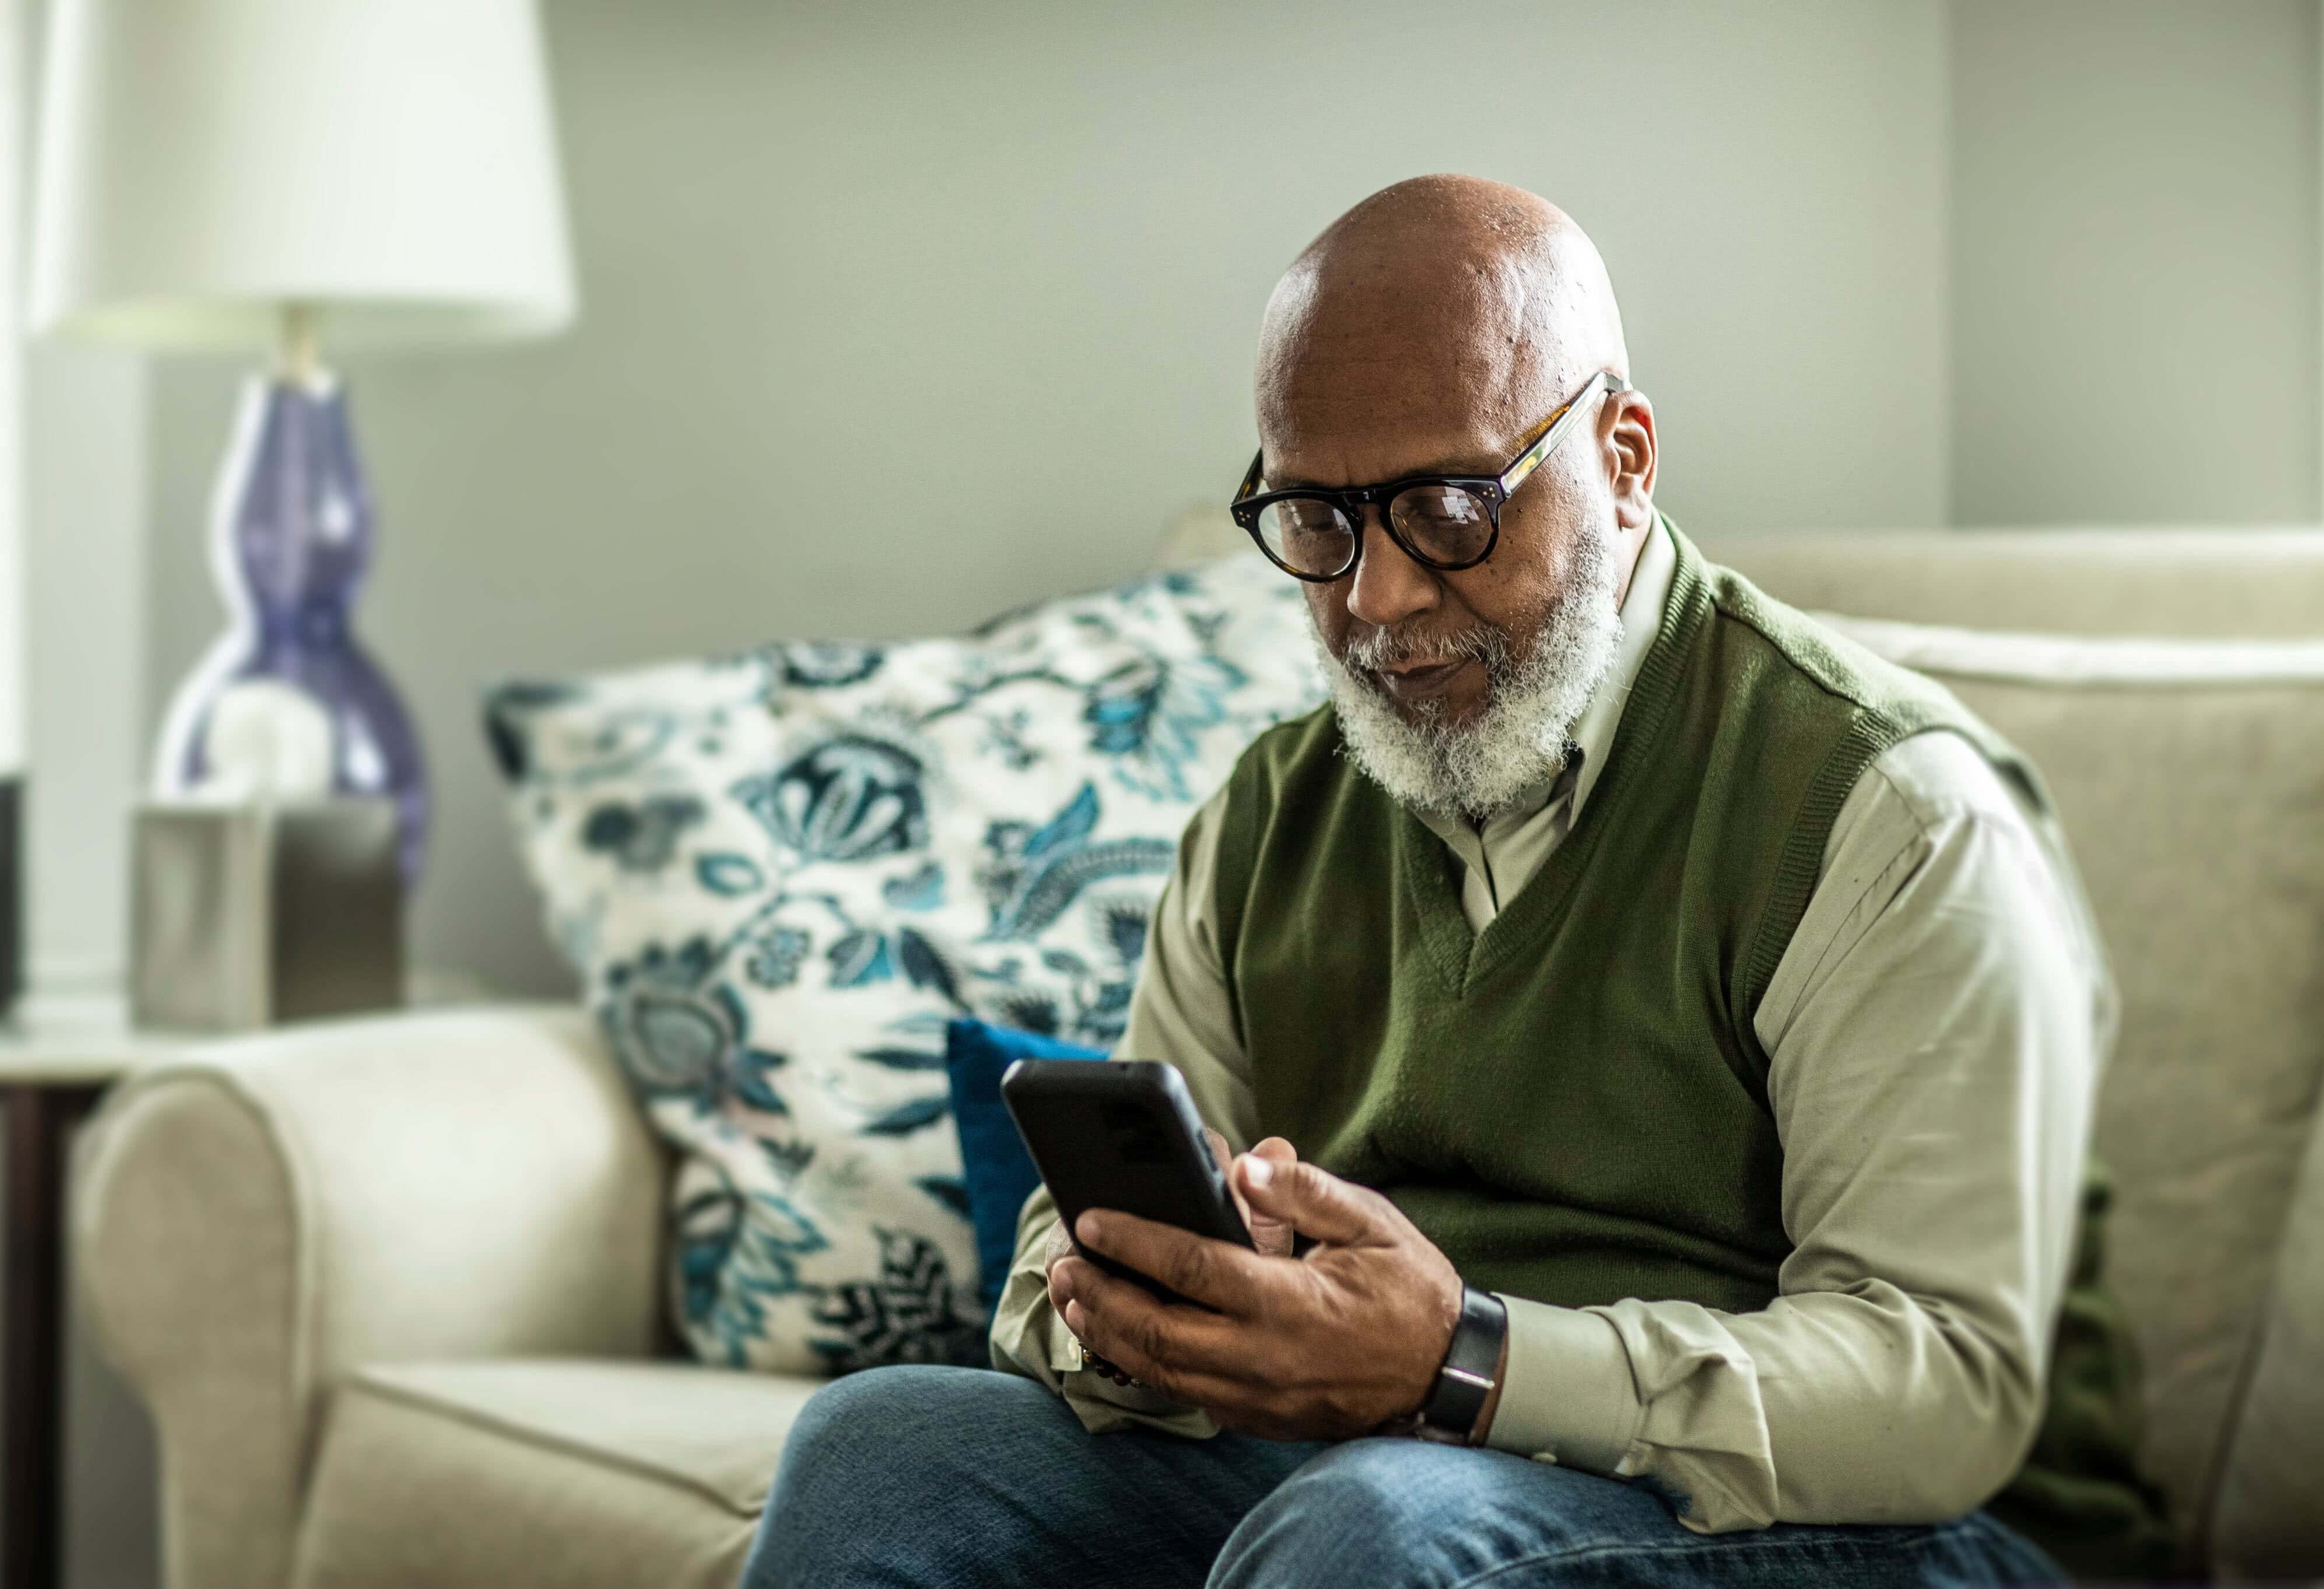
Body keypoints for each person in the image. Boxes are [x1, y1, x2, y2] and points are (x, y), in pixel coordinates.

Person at [744, 175, 2134, 1588]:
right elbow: (1081, 1232)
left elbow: (1939, 1383)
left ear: (1625, 456)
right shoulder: (1270, 814)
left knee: (1373, 1531)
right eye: (1317, 522)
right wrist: (1150, 1310)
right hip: (1370, 1472)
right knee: (881, 1451)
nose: (1377, 601)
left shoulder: (1881, 807)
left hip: (1861, 1524)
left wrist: (1461, 1363)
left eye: (1450, 507)